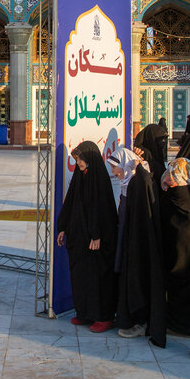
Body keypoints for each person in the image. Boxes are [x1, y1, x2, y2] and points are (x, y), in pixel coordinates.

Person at [57, 141, 118, 333]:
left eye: (81, 159)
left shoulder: (99, 180)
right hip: (79, 239)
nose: (79, 163)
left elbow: (103, 211)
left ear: (89, 158)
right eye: (77, 159)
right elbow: (70, 204)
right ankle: (84, 312)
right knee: (80, 276)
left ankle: (103, 316)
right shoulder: (79, 177)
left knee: (97, 278)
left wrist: (97, 234)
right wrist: (63, 227)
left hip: (96, 241)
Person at [108, 147, 167, 347]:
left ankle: (140, 322)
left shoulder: (139, 183)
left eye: (115, 167)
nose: (114, 172)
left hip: (137, 246)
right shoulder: (129, 184)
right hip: (127, 241)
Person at [158, 158, 190, 336]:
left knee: (186, 286)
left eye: (173, 171)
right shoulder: (174, 195)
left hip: (188, 252)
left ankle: (185, 325)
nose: (169, 174)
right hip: (177, 250)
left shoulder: (189, 196)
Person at [133, 124, 168, 190]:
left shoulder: (155, 151)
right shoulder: (143, 152)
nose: (163, 142)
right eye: (161, 140)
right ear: (151, 137)